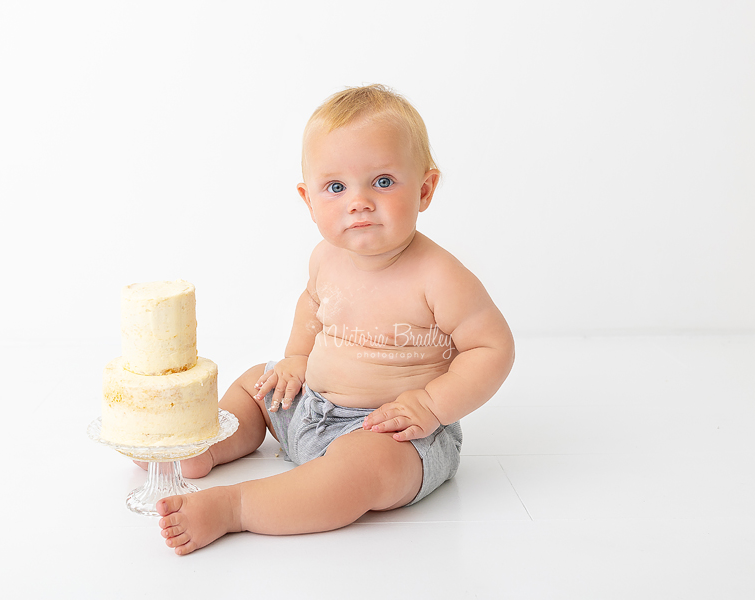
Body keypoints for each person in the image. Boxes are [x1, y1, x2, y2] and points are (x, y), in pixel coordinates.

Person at [153, 84, 515, 555]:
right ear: (308, 200)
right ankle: (206, 447)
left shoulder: (439, 275)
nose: (358, 201)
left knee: (360, 472)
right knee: (254, 384)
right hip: (312, 407)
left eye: (383, 181)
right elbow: (312, 308)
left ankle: (237, 508)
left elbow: (492, 348)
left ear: (425, 189)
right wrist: (296, 359)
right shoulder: (326, 256)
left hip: (391, 432)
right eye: (336, 187)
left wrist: (430, 405)